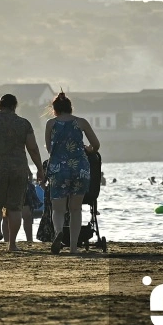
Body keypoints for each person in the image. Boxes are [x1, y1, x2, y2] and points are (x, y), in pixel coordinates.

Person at [0, 93, 46, 252]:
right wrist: (40, 169)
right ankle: (13, 244)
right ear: (15, 106)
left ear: (0, 105)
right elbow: (33, 149)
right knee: (15, 207)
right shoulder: (23, 124)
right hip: (18, 169)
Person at [44, 92, 101, 254]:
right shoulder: (81, 122)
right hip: (80, 168)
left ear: (54, 110)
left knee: (58, 209)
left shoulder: (51, 124)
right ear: (70, 108)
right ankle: (74, 248)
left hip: (58, 168)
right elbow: (96, 145)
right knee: (76, 209)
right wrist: (88, 149)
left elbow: (49, 149)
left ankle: (58, 233)